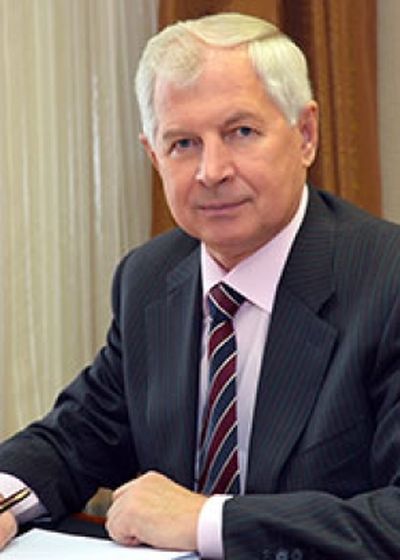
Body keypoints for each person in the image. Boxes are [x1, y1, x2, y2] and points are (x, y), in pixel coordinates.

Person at [0, 11, 400, 559]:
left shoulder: (387, 281)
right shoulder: (149, 278)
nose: (211, 170)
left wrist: (209, 520)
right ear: (154, 156)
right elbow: (79, 436)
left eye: (241, 132)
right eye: (183, 143)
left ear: (305, 135)